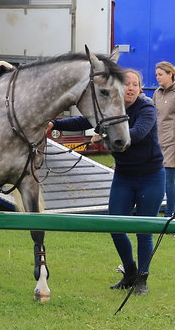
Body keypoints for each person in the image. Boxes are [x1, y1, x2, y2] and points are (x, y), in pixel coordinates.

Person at [47, 68, 164, 296]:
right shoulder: (112, 108)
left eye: (135, 84)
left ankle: (142, 279)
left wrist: (104, 132)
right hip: (124, 176)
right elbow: (84, 119)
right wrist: (55, 124)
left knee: (144, 230)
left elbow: (137, 134)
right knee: (115, 226)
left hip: (151, 176)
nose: (130, 88)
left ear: (140, 89)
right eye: (126, 84)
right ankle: (130, 272)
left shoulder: (146, 108)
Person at [154, 61, 175, 217]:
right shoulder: (157, 93)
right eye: (156, 75)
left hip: (173, 143)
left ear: (170, 74)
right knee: (161, 179)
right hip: (159, 142)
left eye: (160, 74)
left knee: (167, 180)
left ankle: (170, 214)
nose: (157, 78)